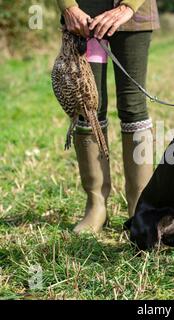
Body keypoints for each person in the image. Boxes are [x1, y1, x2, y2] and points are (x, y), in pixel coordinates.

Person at [56, 0, 159, 233]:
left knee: (134, 107)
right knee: (87, 106)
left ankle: (140, 208)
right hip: (83, 16)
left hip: (135, 16)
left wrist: (127, 7)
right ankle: (96, 206)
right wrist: (67, 6)